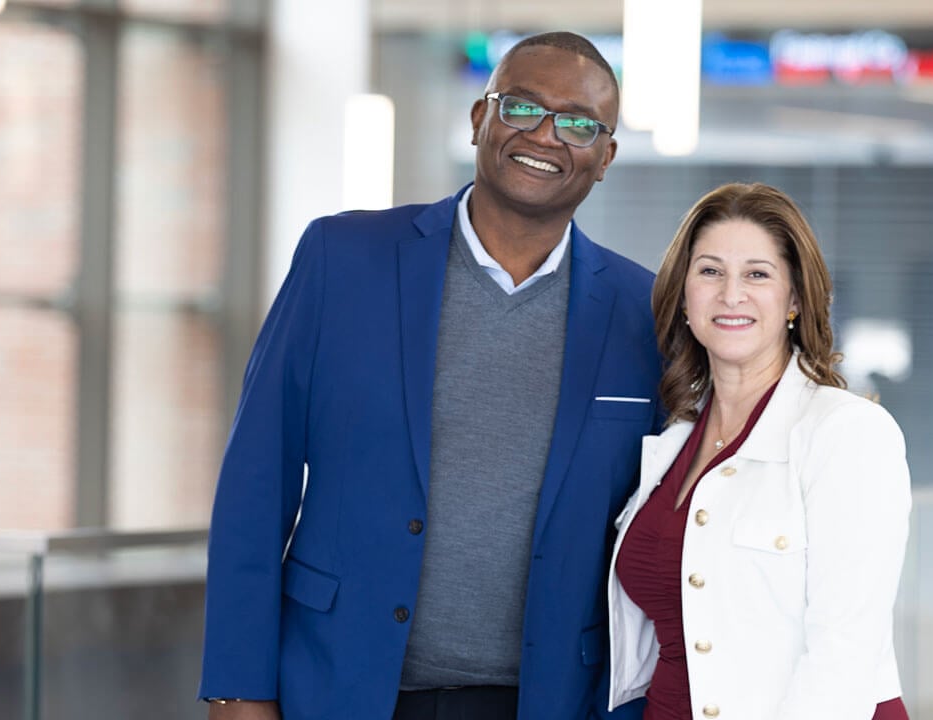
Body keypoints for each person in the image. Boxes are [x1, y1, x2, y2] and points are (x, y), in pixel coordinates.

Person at [199, 32, 660, 720]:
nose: (545, 135)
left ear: (605, 158)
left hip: (549, 701)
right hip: (340, 687)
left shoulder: (644, 312)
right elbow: (255, 484)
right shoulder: (341, 260)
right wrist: (238, 689)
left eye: (578, 123)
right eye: (521, 107)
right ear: (479, 118)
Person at [606, 183, 911, 719]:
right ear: (683, 295)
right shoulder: (672, 439)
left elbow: (843, 660)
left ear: (795, 299)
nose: (731, 295)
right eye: (710, 271)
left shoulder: (847, 433)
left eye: (757, 274)